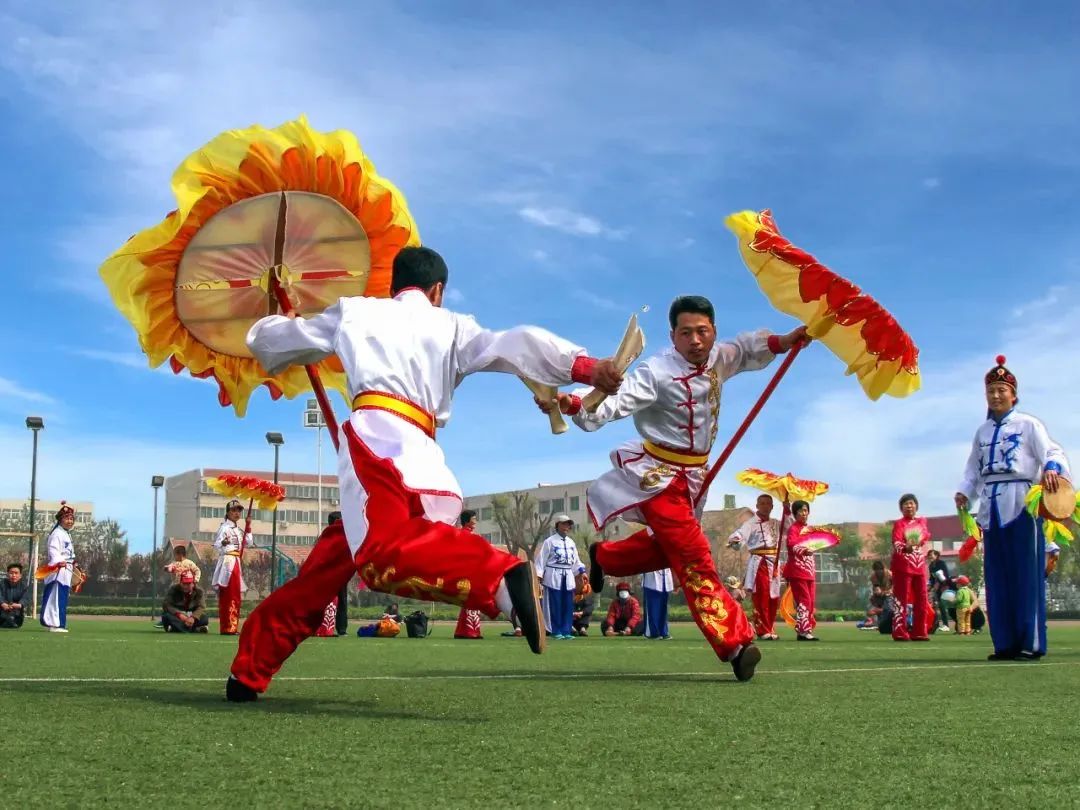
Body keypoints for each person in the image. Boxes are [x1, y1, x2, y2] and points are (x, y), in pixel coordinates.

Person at [227, 245, 621, 700]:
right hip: (424, 459)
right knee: (329, 566)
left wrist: (276, 316)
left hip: (375, 442)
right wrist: (585, 367)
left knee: (377, 556)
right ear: (438, 290)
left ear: (392, 285)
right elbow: (517, 342)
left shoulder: (355, 312)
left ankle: (502, 579)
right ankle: (249, 671)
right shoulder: (453, 325)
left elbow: (269, 343)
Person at [546, 294, 806, 680]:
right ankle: (734, 645)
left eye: (702, 332)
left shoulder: (721, 356)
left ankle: (607, 559)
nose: (696, 341)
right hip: (657, 478)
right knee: (694, 554)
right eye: (686, 333)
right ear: (673, 336)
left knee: (669, 552)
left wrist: (784, 341)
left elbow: (749, 350)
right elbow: (615, 403)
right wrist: (573, 404)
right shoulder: (656, 372)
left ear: (713, 332)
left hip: (694, 478)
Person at [955, 355, 1070, 661]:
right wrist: (964, 492)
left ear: (1013, 394)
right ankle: (1003, 643)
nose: (995, 395)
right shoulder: (981, 432)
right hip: (991, 504)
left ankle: (1029, 644)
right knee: (996, 577)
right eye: (991, 390)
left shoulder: (1028, 424)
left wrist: (1052, 469)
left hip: (1021, 502)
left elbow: (1053, 451)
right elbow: (972, 470)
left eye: (1001, 390)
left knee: (1025, 575)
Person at [728, 494, 782, 640]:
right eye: (762, 503)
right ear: (757, 506)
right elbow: (740, 534)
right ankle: (762, 629)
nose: (765, 506)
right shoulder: (751, 523)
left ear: (772, 506)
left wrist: (787, 509)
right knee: (762, 595)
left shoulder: (776, 523)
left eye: (768, 503)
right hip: (760, 562)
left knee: (773, 597)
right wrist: (735, 539)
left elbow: (789, 528)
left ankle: (770, 627)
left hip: (774, 562)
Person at [535, 514, 586, 640]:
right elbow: (541, 559)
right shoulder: (550, 541)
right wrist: (539, 575)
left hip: (567, 575)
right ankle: (555, 630)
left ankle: (566, 630)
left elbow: (576, 560)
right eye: (563, 524)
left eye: (568, 524)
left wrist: (581, 571)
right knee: (555, 604)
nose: (566, 527)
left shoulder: (571, 542)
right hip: (553, 575)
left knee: (568, 605)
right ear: (557, 526)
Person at [890, 494, 931, 642]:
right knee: (901, 598)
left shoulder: (922, 521)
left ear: (916, 506)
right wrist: (904, 547)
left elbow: (925, 535)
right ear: (901, 508)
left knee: (922, 598)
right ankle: (900, 631)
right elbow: (896, 541)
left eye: (912, 503)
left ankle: (920, 631)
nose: (909, 506)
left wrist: (916, 542)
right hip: (902, 565)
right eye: (906, 504)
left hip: (919, 565)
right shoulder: (899, 524)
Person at [782, 500, 819, 641]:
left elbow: (816, 543)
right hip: (797, 570)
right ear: (795, 513)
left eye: (806, 510)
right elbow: (791, 544)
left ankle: (804, 629)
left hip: (809, 571)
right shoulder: (794, 528)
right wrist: (804, 550)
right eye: (801, 511)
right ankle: (804, 631)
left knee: (811, 601)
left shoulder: (809, 529)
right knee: (804, 600)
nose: (804, 513)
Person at [213, 499, 249, 635]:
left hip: (236, 561)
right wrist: (223, 542)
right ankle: (228, 627)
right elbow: (216, 545)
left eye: (239, 511)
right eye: (234, 510)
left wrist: (249, 525)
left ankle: (231, 626)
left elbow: (249, 541)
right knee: (229, 595)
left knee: (235, 595)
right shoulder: (224, 528)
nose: (237, 513)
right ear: (227, 513)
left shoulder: (237, 529)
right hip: (228, 562)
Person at [40, 502, 77, 633]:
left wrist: (74, 564)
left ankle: (59, 623)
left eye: (71, 519)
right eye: (67, 518)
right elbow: (53, 552)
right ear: (60, 519)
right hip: (58, 569)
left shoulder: (66, 534)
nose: (70, 521)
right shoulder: (56, 533)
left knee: (61, 596)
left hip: (66, 569)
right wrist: (60, 562)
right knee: (55, 596)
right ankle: (54, 624)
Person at [315, 512, 348, 637]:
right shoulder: (328, 536)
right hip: (330, 573)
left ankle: (341, 628)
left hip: (339, 572)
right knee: (327, 601)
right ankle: (323, 628)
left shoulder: (340, 536)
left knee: (341, 600)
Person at [453, 510, 484, 639]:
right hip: (469, 572)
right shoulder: (467, 536)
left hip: (471, 570)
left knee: (470, 602)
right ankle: (469, 631)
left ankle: (464, 631)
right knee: (471, 600)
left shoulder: (466, 534)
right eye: (474, 518)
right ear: (467, 521)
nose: (475, 521)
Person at [641, 568, 674, 639]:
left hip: (665, 577)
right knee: (652, 607)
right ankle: (652, 632)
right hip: (651, 580)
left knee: (663, 607)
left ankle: (664, 631)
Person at [927, 550, 953, 633]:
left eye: (931, 555)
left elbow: (945, 575)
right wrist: (930, 587)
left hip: (945, 586)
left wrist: (940, 584)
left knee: (944, 605)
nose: (930, 557)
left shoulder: (941, 563)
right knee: (939, 606)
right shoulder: (931, 565)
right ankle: (942, 624)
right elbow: (931, 578)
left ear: (936, 555)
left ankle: (947, 624)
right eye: (929, 555)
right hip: (937, 588)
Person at [1, 563, 29, 629]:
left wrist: (19, 605)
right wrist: (2, 603)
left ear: (20, 575)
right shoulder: (2, 584)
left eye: (16, 573)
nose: (14, 575)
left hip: (16, 614)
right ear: (7, 574)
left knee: (12, 621)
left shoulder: (24, 586)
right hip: (2, 611)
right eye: (11, 573)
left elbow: (25, 599)